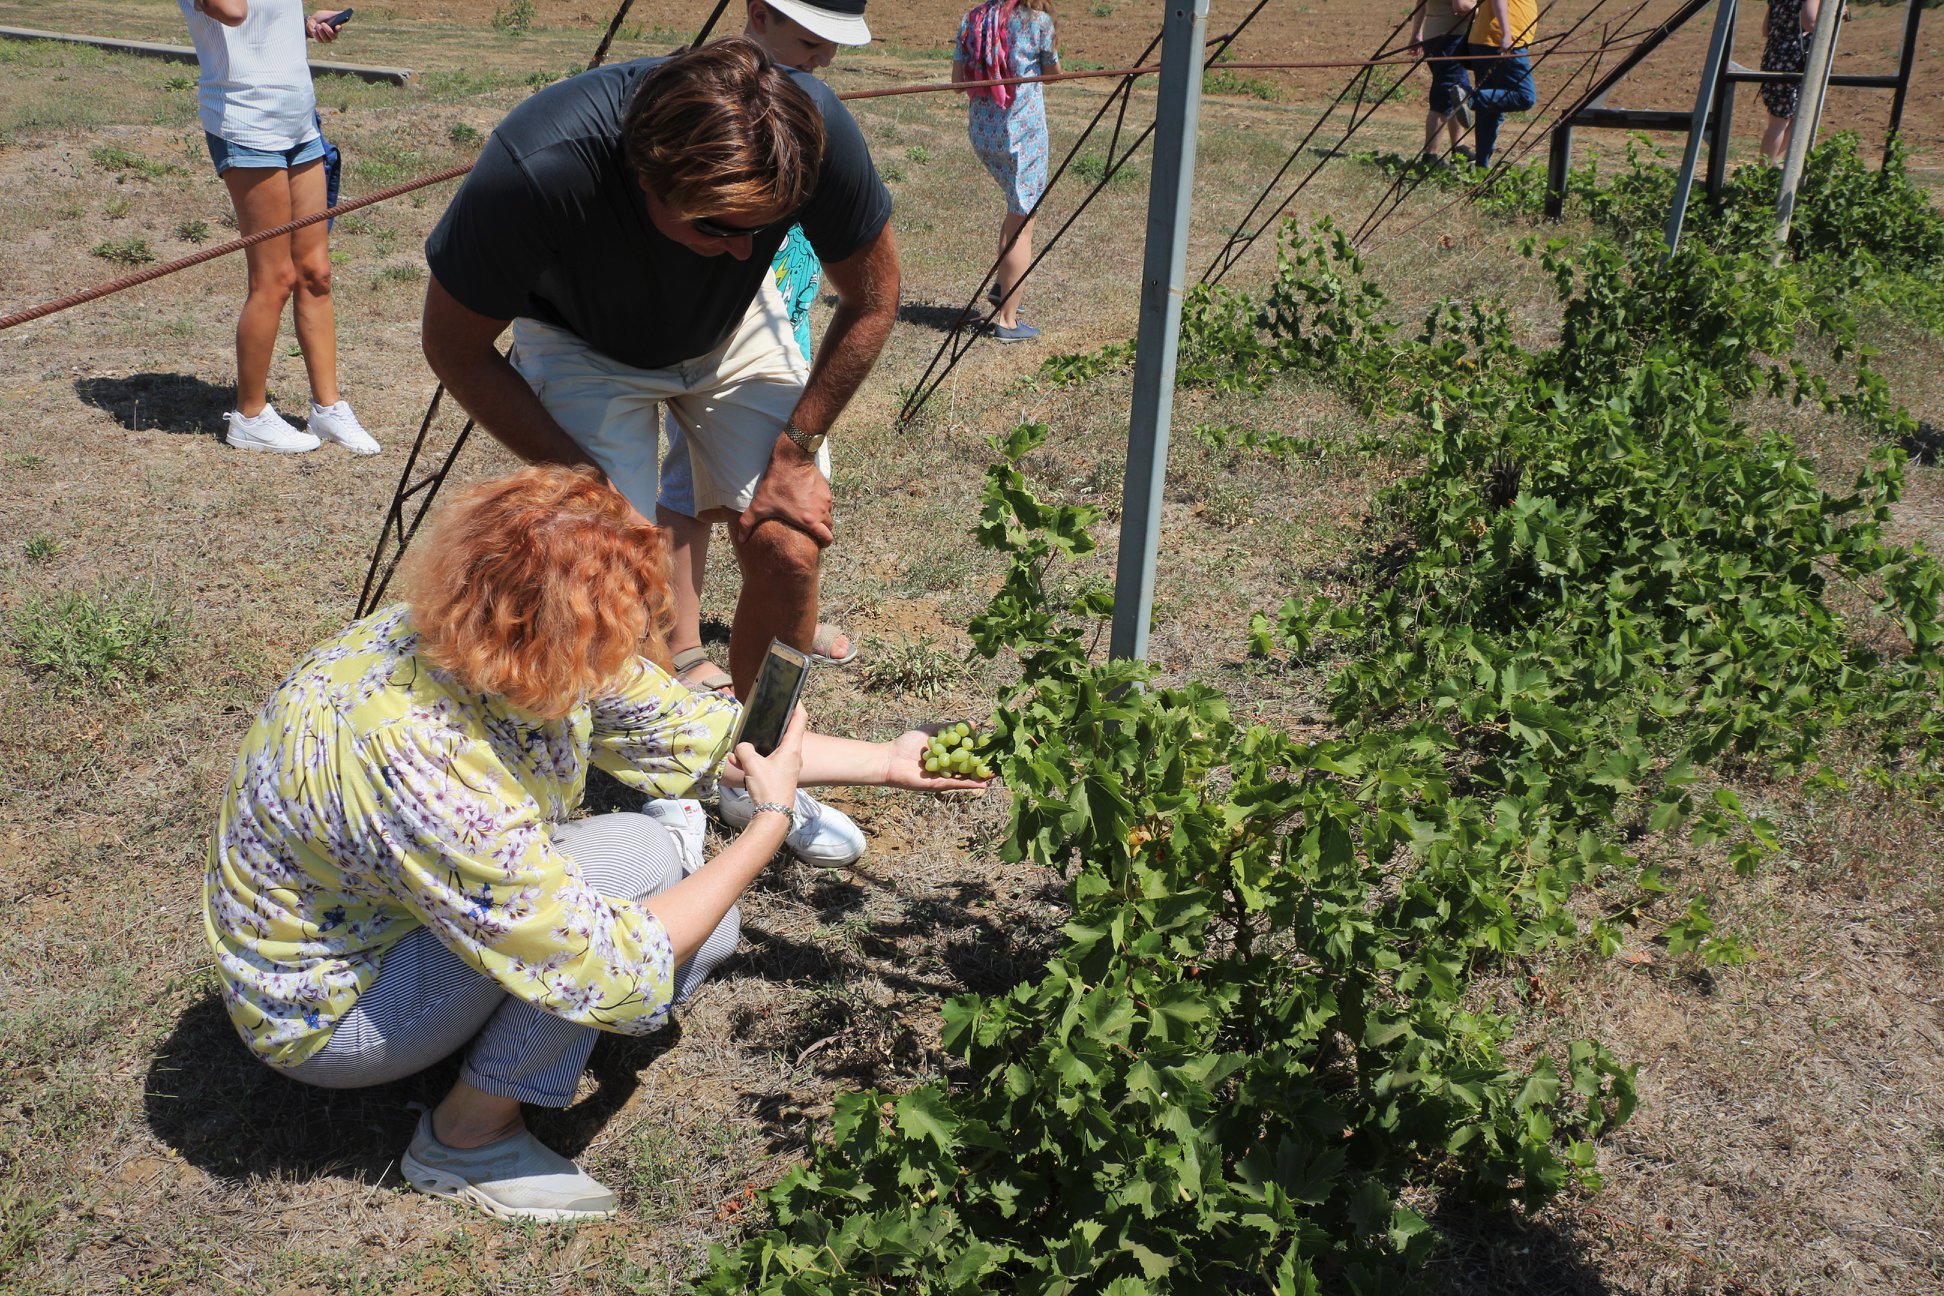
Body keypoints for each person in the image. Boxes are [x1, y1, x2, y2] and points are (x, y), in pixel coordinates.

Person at [204, 465, 985, 1221]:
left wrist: (886, 762)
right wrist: (769, 824)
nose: (636, 641)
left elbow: (701, 735)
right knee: (663, 891)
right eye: (614, 624)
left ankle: (478, 1044)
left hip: (390, 928)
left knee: (685, 901)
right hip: (332, 1017)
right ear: (549, 620)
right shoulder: (416, 754)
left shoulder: (474, 630)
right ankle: (466, 1138)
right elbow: (607, 967)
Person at [651, 1, 878, 869]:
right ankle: (671, 701)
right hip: (653, 337)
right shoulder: (693, 108)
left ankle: (757, 760)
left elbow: (866, 284)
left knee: (787, 538)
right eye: (808, 38)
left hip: (760, 330)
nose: (821, 55)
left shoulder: (814, 118)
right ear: (755, 17)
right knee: (659, 506)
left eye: (832, 43)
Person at [179, 0, 380, 455]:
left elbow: (261, 22)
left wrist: (303, 25)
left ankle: (328, 409)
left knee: (316, 272)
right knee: (274, 278)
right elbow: (231, 12)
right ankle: (249, 416)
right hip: (246, 121)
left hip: (298, 120)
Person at [954, 0, 1060, 343]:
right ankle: (1008, 320)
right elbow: (1051, 74)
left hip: (984, 133)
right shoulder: (1038, 22)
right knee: (1023, 219)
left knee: (1016, 211)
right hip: (1021, 134)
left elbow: (958, 82)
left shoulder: (972, 19)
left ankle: (1004, 285)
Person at [1460, 0, 1538, 172]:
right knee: (1525, 97)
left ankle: (1481, 167)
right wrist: (1506, 33)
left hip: (1484, 39)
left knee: (1490, 109)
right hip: (1503, 41)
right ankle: (1468, 98)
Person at [1407, 0, 1478, 167]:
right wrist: (1486, 16)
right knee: (1446, 95)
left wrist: (1417, 33)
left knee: (1455, 91)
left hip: (1434, 35)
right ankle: (1430, 156)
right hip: (1450, 38)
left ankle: (1458, 147)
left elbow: (1421, 3)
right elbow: (1461, 7)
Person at [1760, 0, 1818, 164]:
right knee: (1783, 122)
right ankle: (1764, 173)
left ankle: (1770, 170)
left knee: (1783, 119)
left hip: (1773, 55)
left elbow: (1766, 30)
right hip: (1795, 60)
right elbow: (1810, 22)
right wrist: (1835, 16)